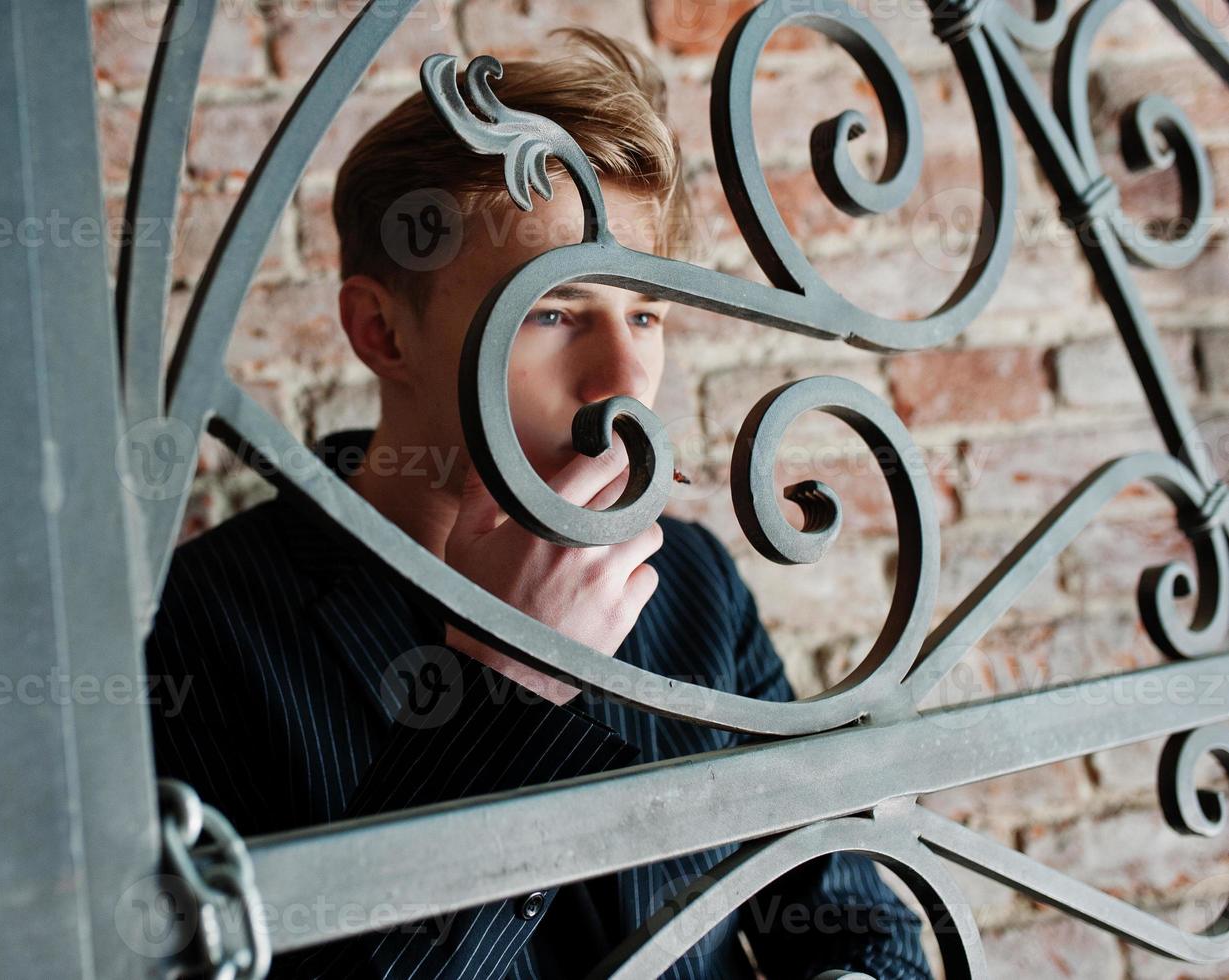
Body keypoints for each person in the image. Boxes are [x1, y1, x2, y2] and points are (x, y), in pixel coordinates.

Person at [145, 26, 933, 980]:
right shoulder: (197, 623)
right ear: (381, 333)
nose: (624, 380)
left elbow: (855, 921)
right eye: (554, 311)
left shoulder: (692, 582)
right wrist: (503, 693)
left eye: (645, 314)